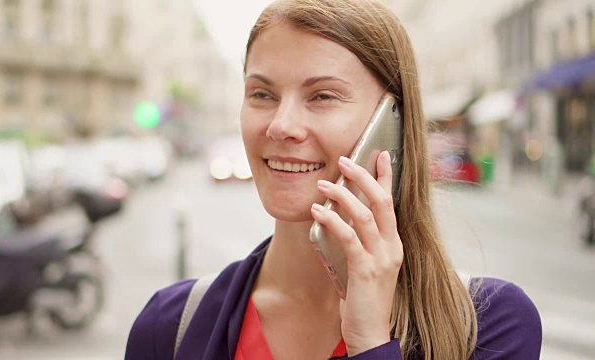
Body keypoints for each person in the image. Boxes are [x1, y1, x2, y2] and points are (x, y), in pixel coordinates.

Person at [125, 0, 542, 359]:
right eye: (262, 94)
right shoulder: (169, 327)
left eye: (322, 96)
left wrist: (371, 343)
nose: (281, 125)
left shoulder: (489, 327)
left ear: (391, 125)